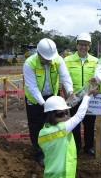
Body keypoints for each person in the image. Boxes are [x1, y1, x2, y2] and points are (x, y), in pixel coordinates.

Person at [23, 38, 74, 167]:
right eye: (46, 58)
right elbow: (32, 87)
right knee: (36, 126)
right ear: (39, 53)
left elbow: (65, 76)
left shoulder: (58, 60)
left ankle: (53, 149)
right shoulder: (29, 64)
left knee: (53, 122)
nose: (49, 60)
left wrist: (70, 91)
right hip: (34, 100)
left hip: (52, 96)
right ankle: (40, 154)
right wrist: (44, 105)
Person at [38, 84, 99, 178]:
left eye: (66, 113)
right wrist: (87, 95)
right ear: (52, 115)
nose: (65, 116)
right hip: (62, 174)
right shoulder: (61, 129)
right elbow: (79, 116)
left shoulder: (43, 131)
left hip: (49, 173)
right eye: (61, 114)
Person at [64, 33, 98, 156]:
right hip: (74, 97)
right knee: (74, 123)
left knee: (89, 123)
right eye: (81, 44)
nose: (83, 47)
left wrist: (96, 88)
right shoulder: (67, 60)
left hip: (89, 97)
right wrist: (67, 95)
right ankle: (76, 147)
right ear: (77, 45)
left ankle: (89, 147)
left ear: (89, 46)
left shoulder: (95, 61)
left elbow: (98, 78)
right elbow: (64, 78)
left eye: (86, 45)